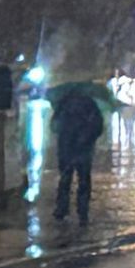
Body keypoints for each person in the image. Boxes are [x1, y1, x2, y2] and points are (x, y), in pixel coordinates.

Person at [51, 87, 104, 223]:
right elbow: (98, 126)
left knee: (65, 178)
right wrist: (88, 137)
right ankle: (82, 211)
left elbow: (54, 125)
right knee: (84, 180)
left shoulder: (63, 103)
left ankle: (62, 209)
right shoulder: (90, 104)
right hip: (84, 148)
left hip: (66, 147)